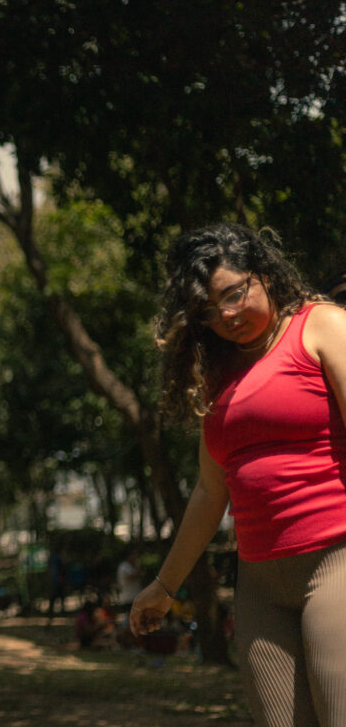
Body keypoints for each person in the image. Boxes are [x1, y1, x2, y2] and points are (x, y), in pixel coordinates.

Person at [129, 223, 346, 726]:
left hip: (336, 561)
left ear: (263, 272)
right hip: (260, 587)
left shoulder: (322, 326)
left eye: (233, 294)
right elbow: (210, 491)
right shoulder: (218, 374)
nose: (225, 316)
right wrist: (165, 585)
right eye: (208, 310)